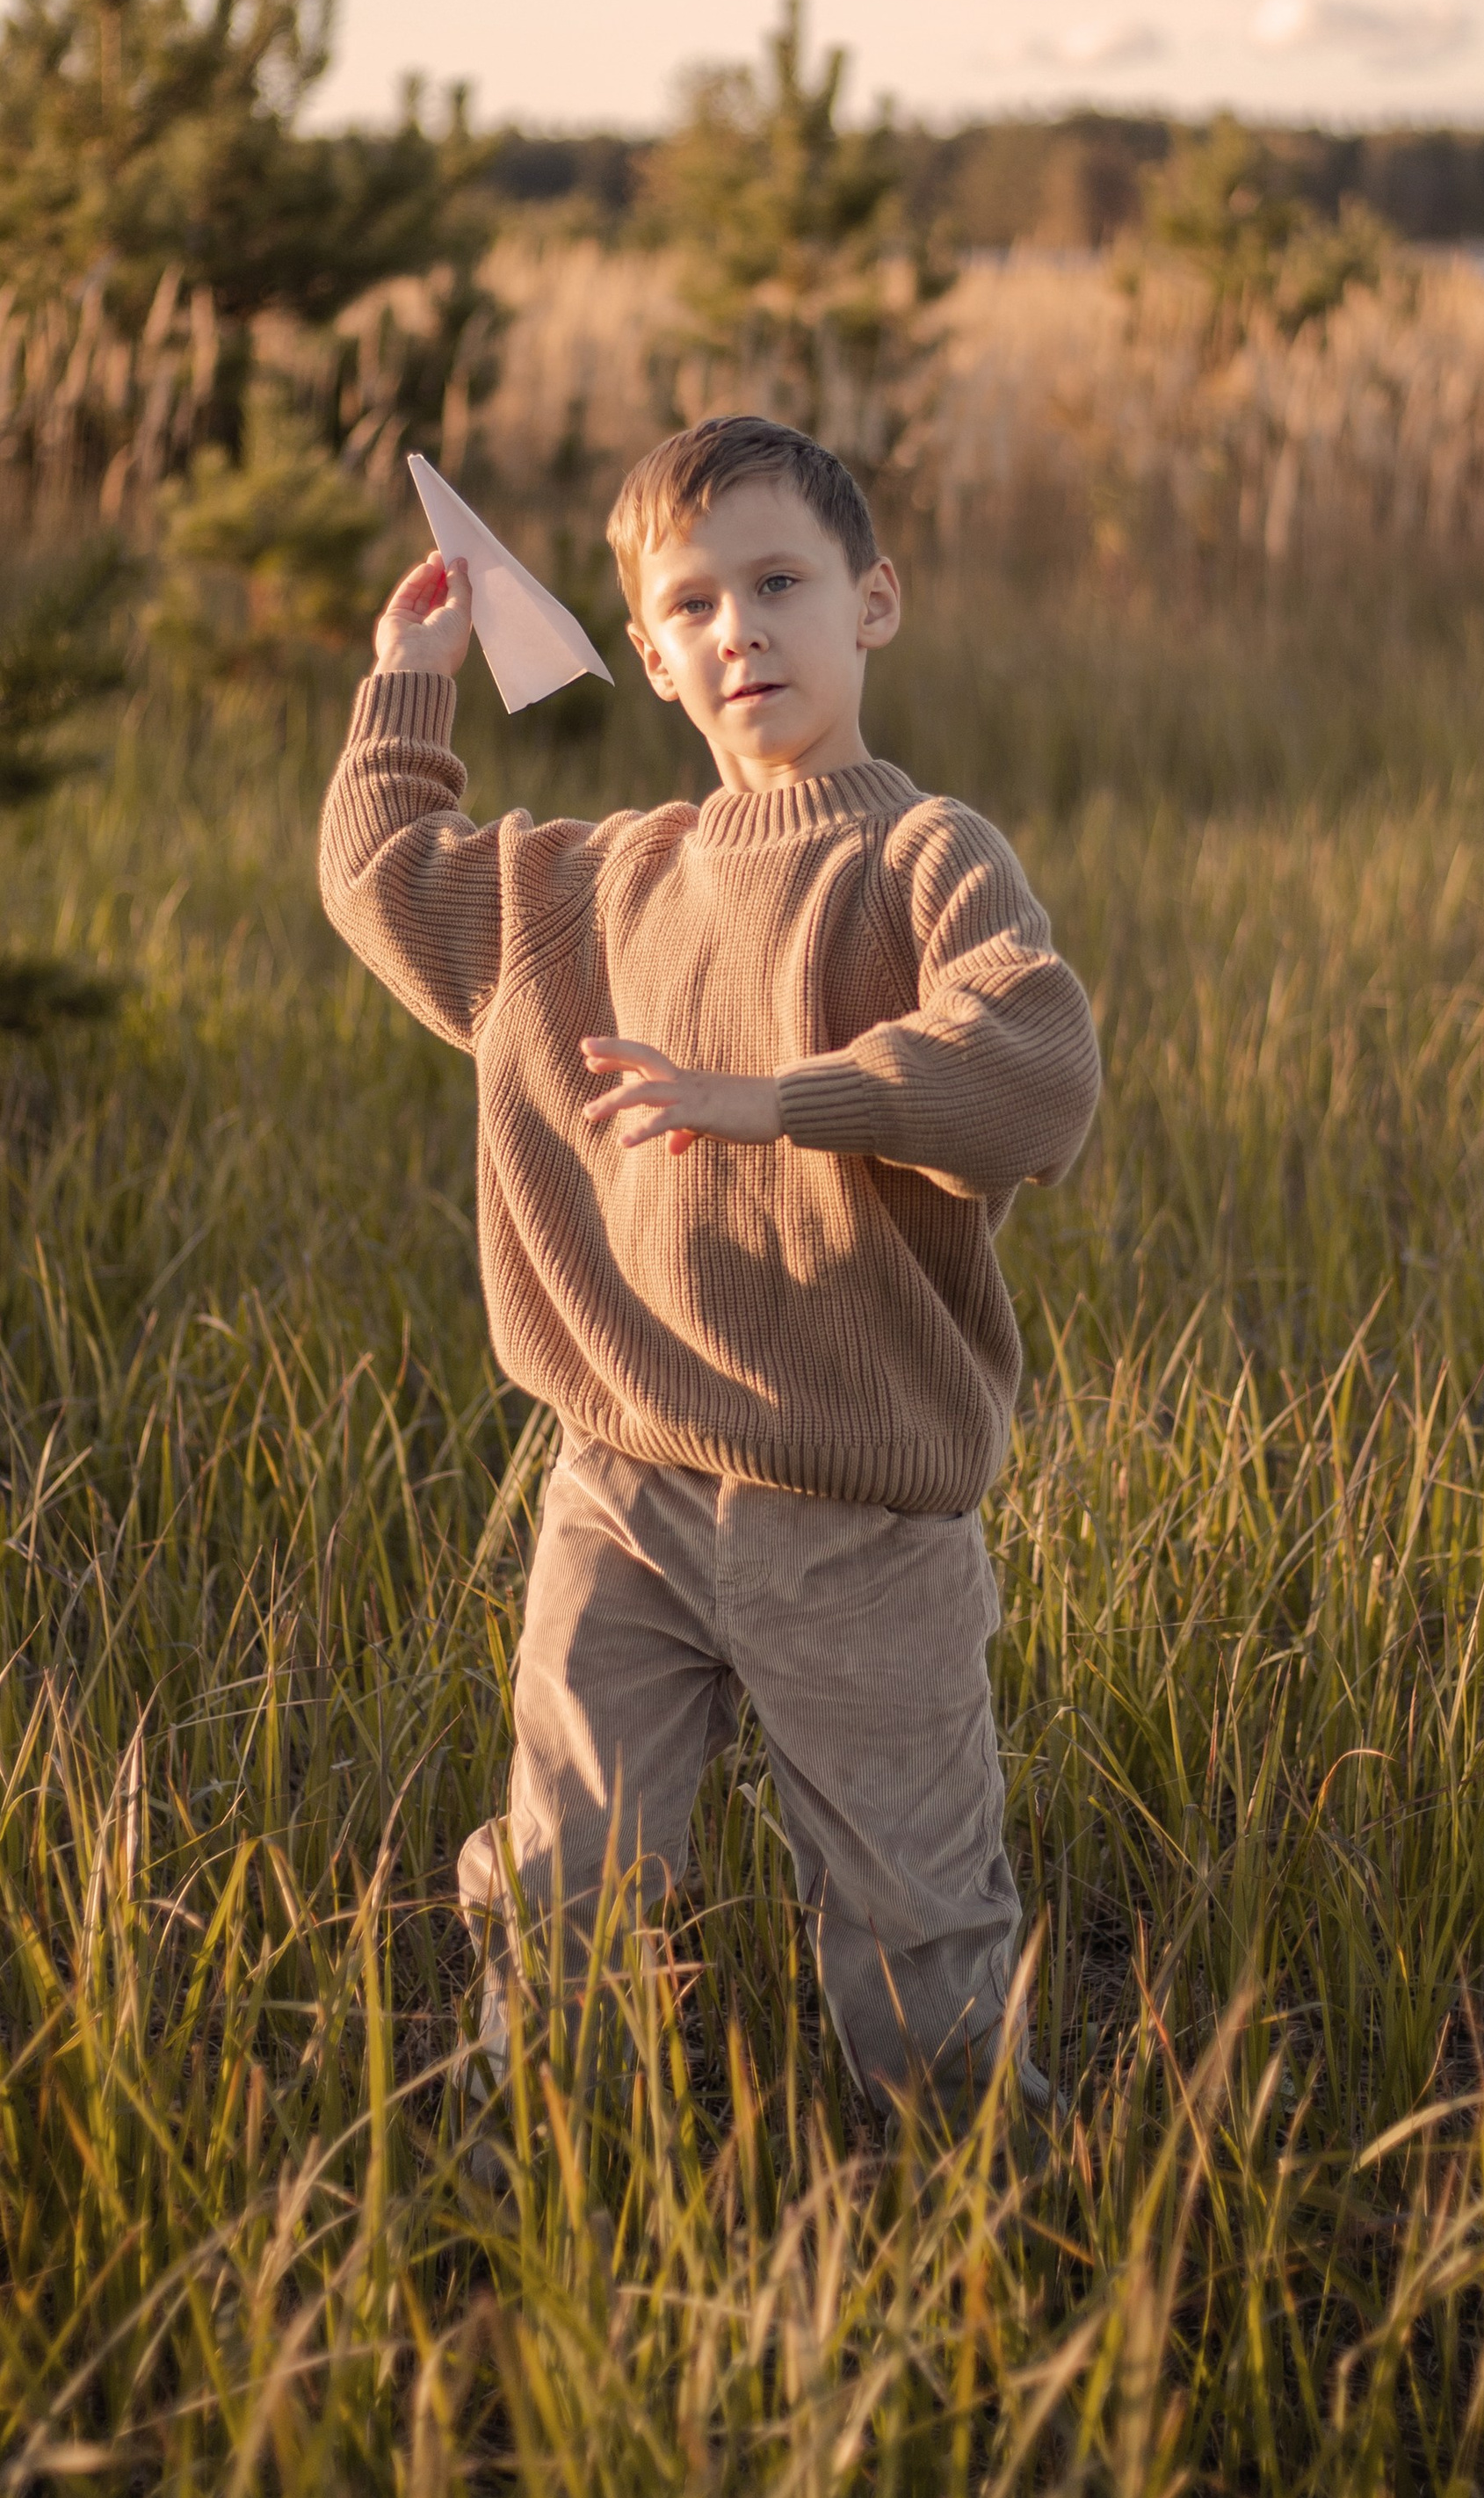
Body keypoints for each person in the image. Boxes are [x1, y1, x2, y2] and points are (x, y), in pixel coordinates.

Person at [319, 414, 1099, 2118]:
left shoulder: (922, 860)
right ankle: (558, 2166)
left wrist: (783, 1099)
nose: (737, 627)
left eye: (777, 583)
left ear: (869, 604)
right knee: (561, 1879)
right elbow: (383, 881)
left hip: (859, 1511)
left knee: (919, 1935)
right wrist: (410, 681)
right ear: (656, 660)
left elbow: (1036, 1075)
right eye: (691, 605)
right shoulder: (594, 888)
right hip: (625, 1486)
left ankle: (985, 2217)